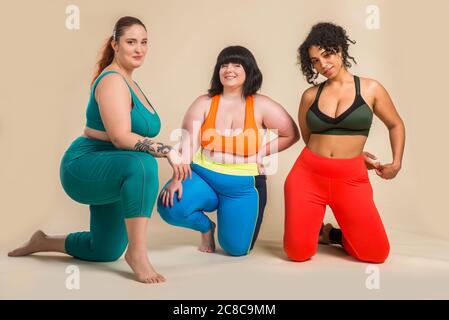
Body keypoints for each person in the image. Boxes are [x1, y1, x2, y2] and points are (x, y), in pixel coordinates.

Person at [8, 16, 190, 284]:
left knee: (104, 249)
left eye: (144, 42)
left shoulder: (131, 83)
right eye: (131, 42)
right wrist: (168, 150)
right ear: (115, 44)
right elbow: (119, 137)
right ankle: (137, 254)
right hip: (84, 165)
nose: (139, 49)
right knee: (144, 163)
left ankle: (43, 241)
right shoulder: (112, 80)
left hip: (115, 165)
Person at [158, 46, 299, 256]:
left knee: (236, 249)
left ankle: (227, 215)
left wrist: (261, 153)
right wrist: (177, 178)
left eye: (236, 65)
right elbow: (188, 143)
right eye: (223, 65)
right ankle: (207, 228)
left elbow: (291, 134)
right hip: (203, 175)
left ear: (249, 70)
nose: (229, 70)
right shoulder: (204, 102)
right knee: (169, 205)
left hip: (242, 185)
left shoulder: (262, 104)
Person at [284, 22, 405, 263]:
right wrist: (335, 153)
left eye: (327, 55)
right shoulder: (310, 96)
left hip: (350, 177)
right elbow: (309, 139)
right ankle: (313, 231)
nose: (322, 65)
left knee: (376, 254)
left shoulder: (371, 89)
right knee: (297, 253)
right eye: (315, 61)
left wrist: (396, 163)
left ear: (340, 49)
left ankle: (331, 234)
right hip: (308, 175)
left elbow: (396, 125)